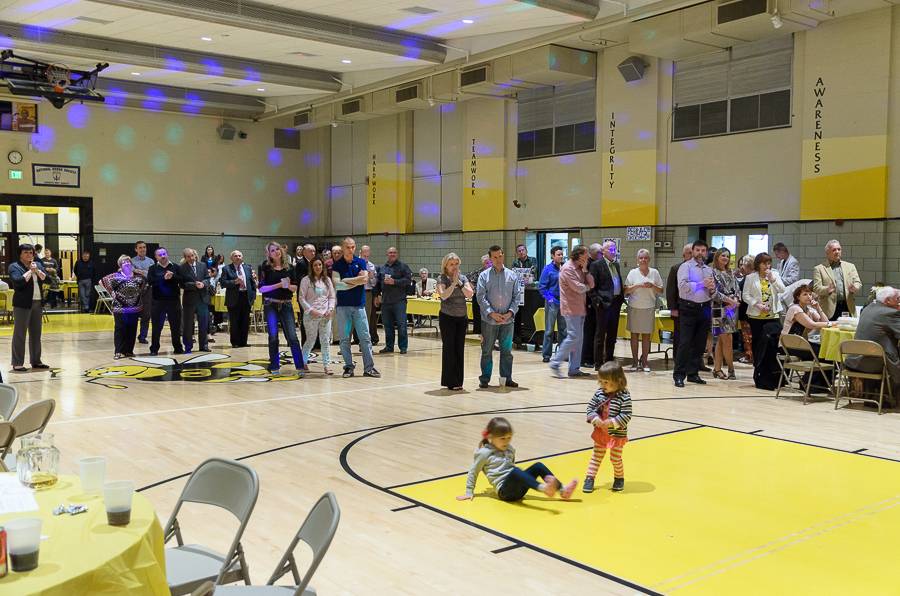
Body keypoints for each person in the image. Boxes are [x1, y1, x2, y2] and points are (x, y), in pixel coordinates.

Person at [457, 417, 577, 502]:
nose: (506, 441)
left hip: (518, 489)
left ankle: (563, 490)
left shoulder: (510, 449)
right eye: (502, 438)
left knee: (538, 466)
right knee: (515, 471)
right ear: (491, 437)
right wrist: (469, 491)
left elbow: (511, 464)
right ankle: (544, 488)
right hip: (505, 492)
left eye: (509, 438)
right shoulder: (484, 453)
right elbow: (473, 471)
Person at [333, 237, 380, 378]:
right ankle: (348, 367)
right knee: (344, 339)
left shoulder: (360, 262)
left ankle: (369, 368)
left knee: (365, 338)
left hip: (359, 307)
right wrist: (357, 281)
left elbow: (365, 280)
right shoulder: (337, 265)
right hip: (343, 308)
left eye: (353, 247)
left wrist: (346, 281)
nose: (350, 249)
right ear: (343, 248)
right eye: (348, 247)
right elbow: (338, 285)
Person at [476, 245, 522, 389]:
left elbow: (517, 297)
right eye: (495, 257)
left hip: (508, 320)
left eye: (500, 256)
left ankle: (507, 378)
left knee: (507, 352)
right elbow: (480, 297)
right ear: (490, 258)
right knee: (487, 351)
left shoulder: (512, 275)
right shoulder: (484, 276)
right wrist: (491, 313)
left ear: (503, 255)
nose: (498, 259)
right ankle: (485, 379)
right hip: (489, 321)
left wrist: (510, 313)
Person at [844, 286, 900, 402]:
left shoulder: (868, 308)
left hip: (853, 360)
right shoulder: (890, 313)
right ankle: (889, 398)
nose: (899, 302)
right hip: (872, 362)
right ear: (887, 301)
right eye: (898, 299)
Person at [583, 361, 632, 493]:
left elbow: (626, 415)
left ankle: (619, 478)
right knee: (596, 456)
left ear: (618, 381)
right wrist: (595, 419)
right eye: (601, 382)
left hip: (617, 435)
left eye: (606, 382)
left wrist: (612, 422)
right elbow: (590, 408)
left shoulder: (624, 396)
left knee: (615, 458)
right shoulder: (599, 393)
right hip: (601, 433)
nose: (602, 385)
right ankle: (589, 478)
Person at [258, 241, 305, 374]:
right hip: (270, 304)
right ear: (269, 254)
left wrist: (288, 286)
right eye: (272, 250)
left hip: (286, 304)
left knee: (292, 336)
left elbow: (294, 287)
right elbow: (261, 288)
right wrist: (279, 285)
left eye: (277, 249)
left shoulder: (289, 267)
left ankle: (300, 366)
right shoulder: (265, 267)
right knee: (273, 336)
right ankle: (274, 366)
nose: (276, 252)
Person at [673, 240, 716, 388]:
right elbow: (682, 287)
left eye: (703, 250)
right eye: (697, 250)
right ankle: (679, 375)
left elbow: (711, 290)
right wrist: (701, 284)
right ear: (692, 251)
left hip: (705, 308)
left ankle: (693, 373)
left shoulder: (708, 270)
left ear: (706, 253)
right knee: (685, 342)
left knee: (699, 343)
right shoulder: (685, 267)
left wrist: (712, 289)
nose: (700, 253)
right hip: (688, 307)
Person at [743, 252, 786, 390]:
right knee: (759, 346)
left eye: (769, 263)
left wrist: (773, 280)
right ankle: (760, 376)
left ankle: (774, 376)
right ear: (758, 264)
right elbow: (745, 295)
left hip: (773, 316)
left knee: (773, 346)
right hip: (756, 317)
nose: (767, 266)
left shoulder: (775, 275)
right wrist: (757, 305)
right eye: (764, 263)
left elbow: (783, 290)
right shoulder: (751, 277)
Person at [550, 245, 594, 379]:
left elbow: (592, 284)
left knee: (578, 340)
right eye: (585, 255)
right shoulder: (567, 268)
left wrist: (586, 270)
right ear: (578, 255)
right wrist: (587, 286)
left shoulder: (581, 268)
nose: (588, 257)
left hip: (580, 307)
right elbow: (578, 288)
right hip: (570, 308)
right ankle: (555, 362)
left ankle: (574, 369)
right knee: (573, 336)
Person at [9, 244, 49, 372]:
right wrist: (30, 271)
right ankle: (17, 363)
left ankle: (36, 361)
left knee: (36, 333)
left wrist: (37, 270)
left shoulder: (38, 265)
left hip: (37, 303)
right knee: (20, 334)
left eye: (31, 252)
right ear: (20, 254)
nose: (29, 255)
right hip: (22, 304)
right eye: (26, 252)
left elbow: (48, 279)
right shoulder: (14, 266)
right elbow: (18, 282)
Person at [437, 253, 474, 390]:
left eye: (456, 264)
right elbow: (443, 295)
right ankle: (449, 381)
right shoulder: (442, 278)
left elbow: (469, 294)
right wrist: (453, 283)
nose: (454, 267)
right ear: (445, 265)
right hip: (447, 317)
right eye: (451, 264)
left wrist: (459, 282)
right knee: (449, 349)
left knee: (459, 348)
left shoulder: (463, 278)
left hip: (461, 317)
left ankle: (458, 381)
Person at [624, 249, 663, 372]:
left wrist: (653, 286)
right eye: (641, 258)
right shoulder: (632, 273)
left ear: (649, 259)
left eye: (645, 258)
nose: (643, 260)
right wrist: (638, 285)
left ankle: (645, 362)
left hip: (649, 307)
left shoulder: (654, 272)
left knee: (646, 336)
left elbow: (661, 290)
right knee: (634, 335)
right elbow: (626, 290)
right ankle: (635, 362)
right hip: (634, 307)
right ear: (637, 260)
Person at [101, 255, 147, 359]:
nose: (127, 263)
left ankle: (129, 351)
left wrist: (138, 295)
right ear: (120, 265)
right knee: (120, 329)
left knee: (132, 329)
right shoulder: (115, 276)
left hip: (134, 308)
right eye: (124, 262)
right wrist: (111, 292)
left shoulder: (138, 277)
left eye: (128, 261)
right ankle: (118, 351)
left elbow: (144, 284)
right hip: (120, 308)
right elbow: (102, 281)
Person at [588, 240, 625, 368]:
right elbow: (591, 287)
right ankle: (598, 363)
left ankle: (609, 360)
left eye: (615, 249)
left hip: (616, 303)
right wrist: (597, 302)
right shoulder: (596, 265)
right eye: (611, 249)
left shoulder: (616, 265)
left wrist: (621, 299)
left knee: (612, 335)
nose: (614, 252)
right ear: (603, 251)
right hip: (603, 304)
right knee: (600, 334)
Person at [299, 256, 336, 375]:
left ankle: (327, 365)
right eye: (315, 265)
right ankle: (303, 362)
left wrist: (330, 309)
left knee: (325, 341)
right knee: (311, 340)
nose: (318, 267)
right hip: (311, 316)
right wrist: (311, 310)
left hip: (325, 315)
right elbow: (301, 298)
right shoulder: (306, 280)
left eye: (320, 264)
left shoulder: (327, 280)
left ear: (323, 266)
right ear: (312, 267)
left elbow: (332, 297)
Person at [375, 247, 412, 354]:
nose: (392, 254)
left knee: (401, 325)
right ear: (387, 254)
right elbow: (377, 283)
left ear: (397, 254)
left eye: (394, 252)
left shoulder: (403, 267)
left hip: (399, 301)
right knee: (387, 325)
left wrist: (394, 282)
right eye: (390, 252)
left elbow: (408, 280)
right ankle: (389, 346)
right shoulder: (382, 268)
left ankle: (403, 347)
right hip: (386, 302)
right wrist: (376, 295)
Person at [812, 240, 862, 321]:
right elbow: (816, 288)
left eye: (839, 249)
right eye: (834, 250)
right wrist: (827, 289)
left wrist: (855, 287)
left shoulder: (850, 266)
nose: (837, 252)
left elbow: (858, 282)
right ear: (827, 253)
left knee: (847, 328)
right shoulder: (819, 269)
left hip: (847, 306)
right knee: (829, 329)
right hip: (829, 308)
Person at [711, 248, 740, 380]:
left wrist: (736, 300)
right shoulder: (712, 272)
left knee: (722, 340)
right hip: (719, 308)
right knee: (727, 339)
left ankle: (717, 369)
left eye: (727, 256)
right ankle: (731, 368)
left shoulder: (731, 272)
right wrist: (729, 300)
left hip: (731, 309)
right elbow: (713, 292)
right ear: (717, 257)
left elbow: (737, 289)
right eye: (723, 255)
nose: (725, 258)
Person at [148, 247, 184, 356]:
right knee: (156, 327)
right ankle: (154, 349)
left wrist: (173, 277)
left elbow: (182, 280)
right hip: (158, 301)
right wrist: (163, 278)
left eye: (164, 254)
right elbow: (150, 281)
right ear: (156, 257)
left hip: (174, 301)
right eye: (160, 255)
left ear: (167, 254)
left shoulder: (176, 267)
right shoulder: (152, 268)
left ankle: (178, 348)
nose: (163, 256)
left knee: (175, 326)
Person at [218, 250, 256, 349]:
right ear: (231, 258)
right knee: (234, 321)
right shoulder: (226, 269)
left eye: (239, 256)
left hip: (246, 296)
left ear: (242, 257)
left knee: (245, 320)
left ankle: (243, 341)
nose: (238, 257)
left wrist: (253, 296)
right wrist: (234, 282)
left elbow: (252, 283)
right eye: (235, 256)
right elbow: (223, 283)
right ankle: (235, 342)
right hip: (234, 297)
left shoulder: (247, 268)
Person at [179, 248, 211, 354]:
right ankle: (188, 346)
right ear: (185, 258)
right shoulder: (182, 268)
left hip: (203, 299)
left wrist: (204, 284)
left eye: (192, 255)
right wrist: (194, 285)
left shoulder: (203, 265)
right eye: (188, 257)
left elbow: (207, 278)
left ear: (195, 255)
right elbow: (181, 284)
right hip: (189, 299)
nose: (191, 258)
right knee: (188, 325)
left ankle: (204, 345)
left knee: (204, 324)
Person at [538, 246, 567, 363]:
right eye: (558, 254)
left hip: (563, 302)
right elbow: (542, 287)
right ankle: (546, 354)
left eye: (562, 254)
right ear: (552, 256)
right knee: (549, 330)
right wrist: (550, 300)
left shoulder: (565, 268)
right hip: (552, 302)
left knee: (563, 330)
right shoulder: (547, 269)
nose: (561, 256)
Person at [666, 244, 694, 362]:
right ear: (684, 255)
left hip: (695, 308)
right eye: (689, 253)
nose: (692, 255)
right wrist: (673, 308)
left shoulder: (699, 269)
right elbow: (671, 290)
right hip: (680, 308)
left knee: (695, 336)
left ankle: (696, 361)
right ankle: (678, 359)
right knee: (680, 336)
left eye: (693, 252)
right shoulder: (676, 268)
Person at [582, 244, 602, 369]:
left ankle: (593, 357)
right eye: (600, 252)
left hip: (594, 302)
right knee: (588, 331)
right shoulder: (588, 264)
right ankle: (586, 358)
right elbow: (589, 285)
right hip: (588, 302)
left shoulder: (596, 263)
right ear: (594, 253)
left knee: (594, 330)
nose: (602, 255)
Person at [131, 241, 155, 344]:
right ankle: (131, 336)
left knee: (146, 315)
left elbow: (152, 274)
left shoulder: (151, 261)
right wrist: (145, 272)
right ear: (136, 249)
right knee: (134, 315)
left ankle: (143, 336)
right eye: (140, 247)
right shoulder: (131, 261)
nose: (142, 249)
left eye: (144, 247)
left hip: (148, 290)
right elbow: (131, 272)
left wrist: (139, 271)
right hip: (135, 291)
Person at [294, 243, 317, 347]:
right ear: (304, 252)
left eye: (314, 251)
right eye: (310, 251)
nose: (313, 253)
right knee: (306, 319)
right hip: (305, 297)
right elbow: (300, 280)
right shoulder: (301, 263)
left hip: (315, 296)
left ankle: (316, 343)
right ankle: (306, 342)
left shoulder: (315, 263)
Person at [359, 245, 381, 346]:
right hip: (355, 292)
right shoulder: (354, 263)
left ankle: (364, 342)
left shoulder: (371, 266)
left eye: (368, 256)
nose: (366, 258)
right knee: (351, 318)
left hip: (367, 292)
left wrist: (371, 277)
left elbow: (374, 283)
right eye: (364, 256)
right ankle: (347, 343)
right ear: (360, 253)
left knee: (366, 318)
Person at [736, 254, 755, 365]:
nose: (741, 267)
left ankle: (749, 356)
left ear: (749, 266)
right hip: (748, 311)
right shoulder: (751, 277)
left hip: (747, 312)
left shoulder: (749, 278)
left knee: (747, 336)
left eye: (742, 264)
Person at [467, 255, 491, 336]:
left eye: (490, 262)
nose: (489, 264)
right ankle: (477, 331)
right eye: (487, 263)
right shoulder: (478, 272)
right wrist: (473, 288)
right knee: (477, 315)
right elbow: (467, 279)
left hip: (489, 297)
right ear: (483, 264)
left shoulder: (493, 272)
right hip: (478, 296)